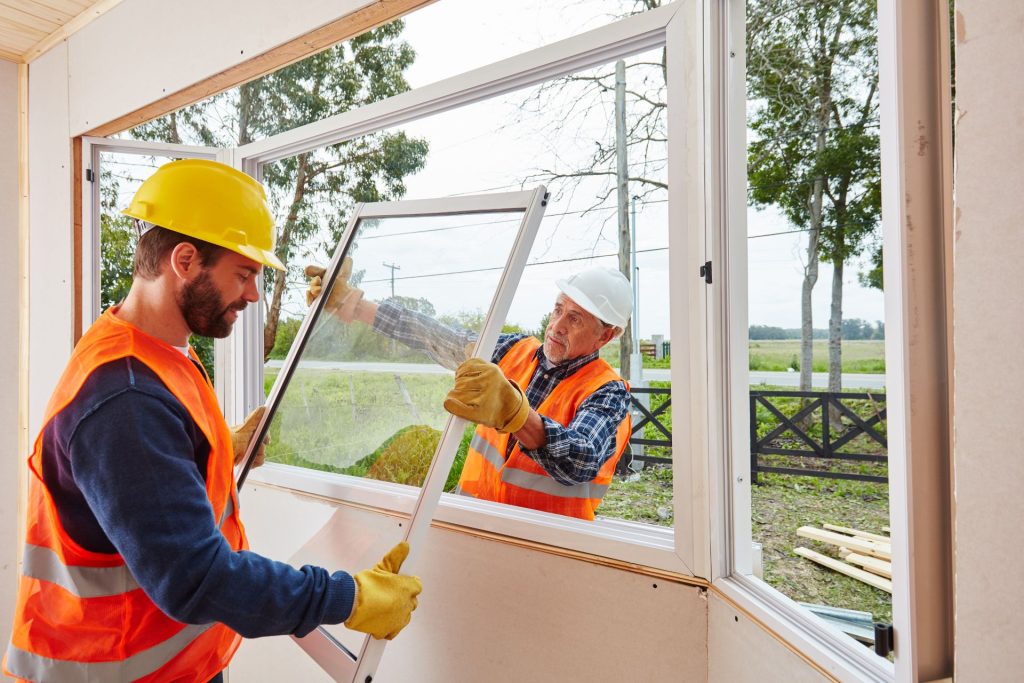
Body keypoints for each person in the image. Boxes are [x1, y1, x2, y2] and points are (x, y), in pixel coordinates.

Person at [3, 160, 422, 683]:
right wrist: (346, 597)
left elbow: (140, 480)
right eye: (243, 274)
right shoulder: (124, 399)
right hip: (113, 669)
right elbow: (195, 578)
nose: (252, 294)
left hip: (169, 662)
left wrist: (217, 446)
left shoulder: (155, 350)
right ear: (184, 260)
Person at [306, 258, 634, 520]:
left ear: (606, 336)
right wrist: (355, 307)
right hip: (473, 522)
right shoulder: (512, 351)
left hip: (545, 548)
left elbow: (581, 459)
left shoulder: (608, 392)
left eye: (575, 319)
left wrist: (517, 415)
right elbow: (437, 337)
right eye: (558, 310)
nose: (557, 326)